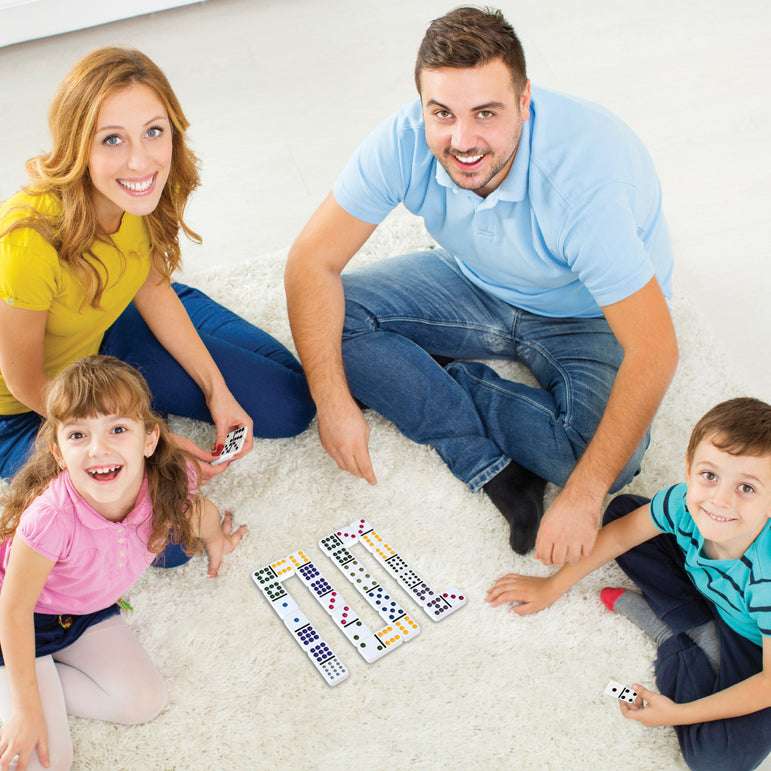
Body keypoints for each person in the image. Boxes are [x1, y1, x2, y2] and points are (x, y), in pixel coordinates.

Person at [284, 6, 678, 566]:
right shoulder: (404, 138)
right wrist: (332, 401)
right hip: (471, 280)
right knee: (326, 322)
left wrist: (585, 498)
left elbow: (656, 348)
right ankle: (487, 459)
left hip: (585, 313)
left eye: (486, 113)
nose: (462, 139)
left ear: (524, 102)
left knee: (599, 462)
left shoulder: (584, 187)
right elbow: (308, 264)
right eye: (441, 112)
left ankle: (438, 374)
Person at [0, 46, 315, 489]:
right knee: (164, 534)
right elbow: (25, 380)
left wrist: (216, 389)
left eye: (153, 131)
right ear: (78, 145)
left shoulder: (138, 193)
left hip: (111, 333)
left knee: (291, 404)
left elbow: (150, 286)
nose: (140, 161)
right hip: (27, 409)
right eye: (112, 139)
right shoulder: (27, 239)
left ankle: (174, 346)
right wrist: (148, 436)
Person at [487, 397, 771, 771]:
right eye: (710, 476)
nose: (719, 499)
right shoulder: (684, 503)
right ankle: (701, 628)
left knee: (717, 760)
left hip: (755, 645)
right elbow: (621, 535)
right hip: (719, 595)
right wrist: (551, 586)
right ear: (688, 469)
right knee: (623, 513)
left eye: (747, 488)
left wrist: (679, 713)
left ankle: (681, 639)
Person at [0, 355, 246, 771]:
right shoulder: (49, 519)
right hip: (18, 618)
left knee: (144, 701)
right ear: (59, 452)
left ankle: (39, 682)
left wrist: (216, 536)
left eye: (117, 429)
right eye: (78, 435)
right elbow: (14, 609)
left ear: (149, 440)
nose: (99, 450)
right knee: (46, 762)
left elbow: (191, 508)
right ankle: (20, 682)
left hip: (82, 611)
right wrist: (28, 709)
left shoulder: (167, 480)